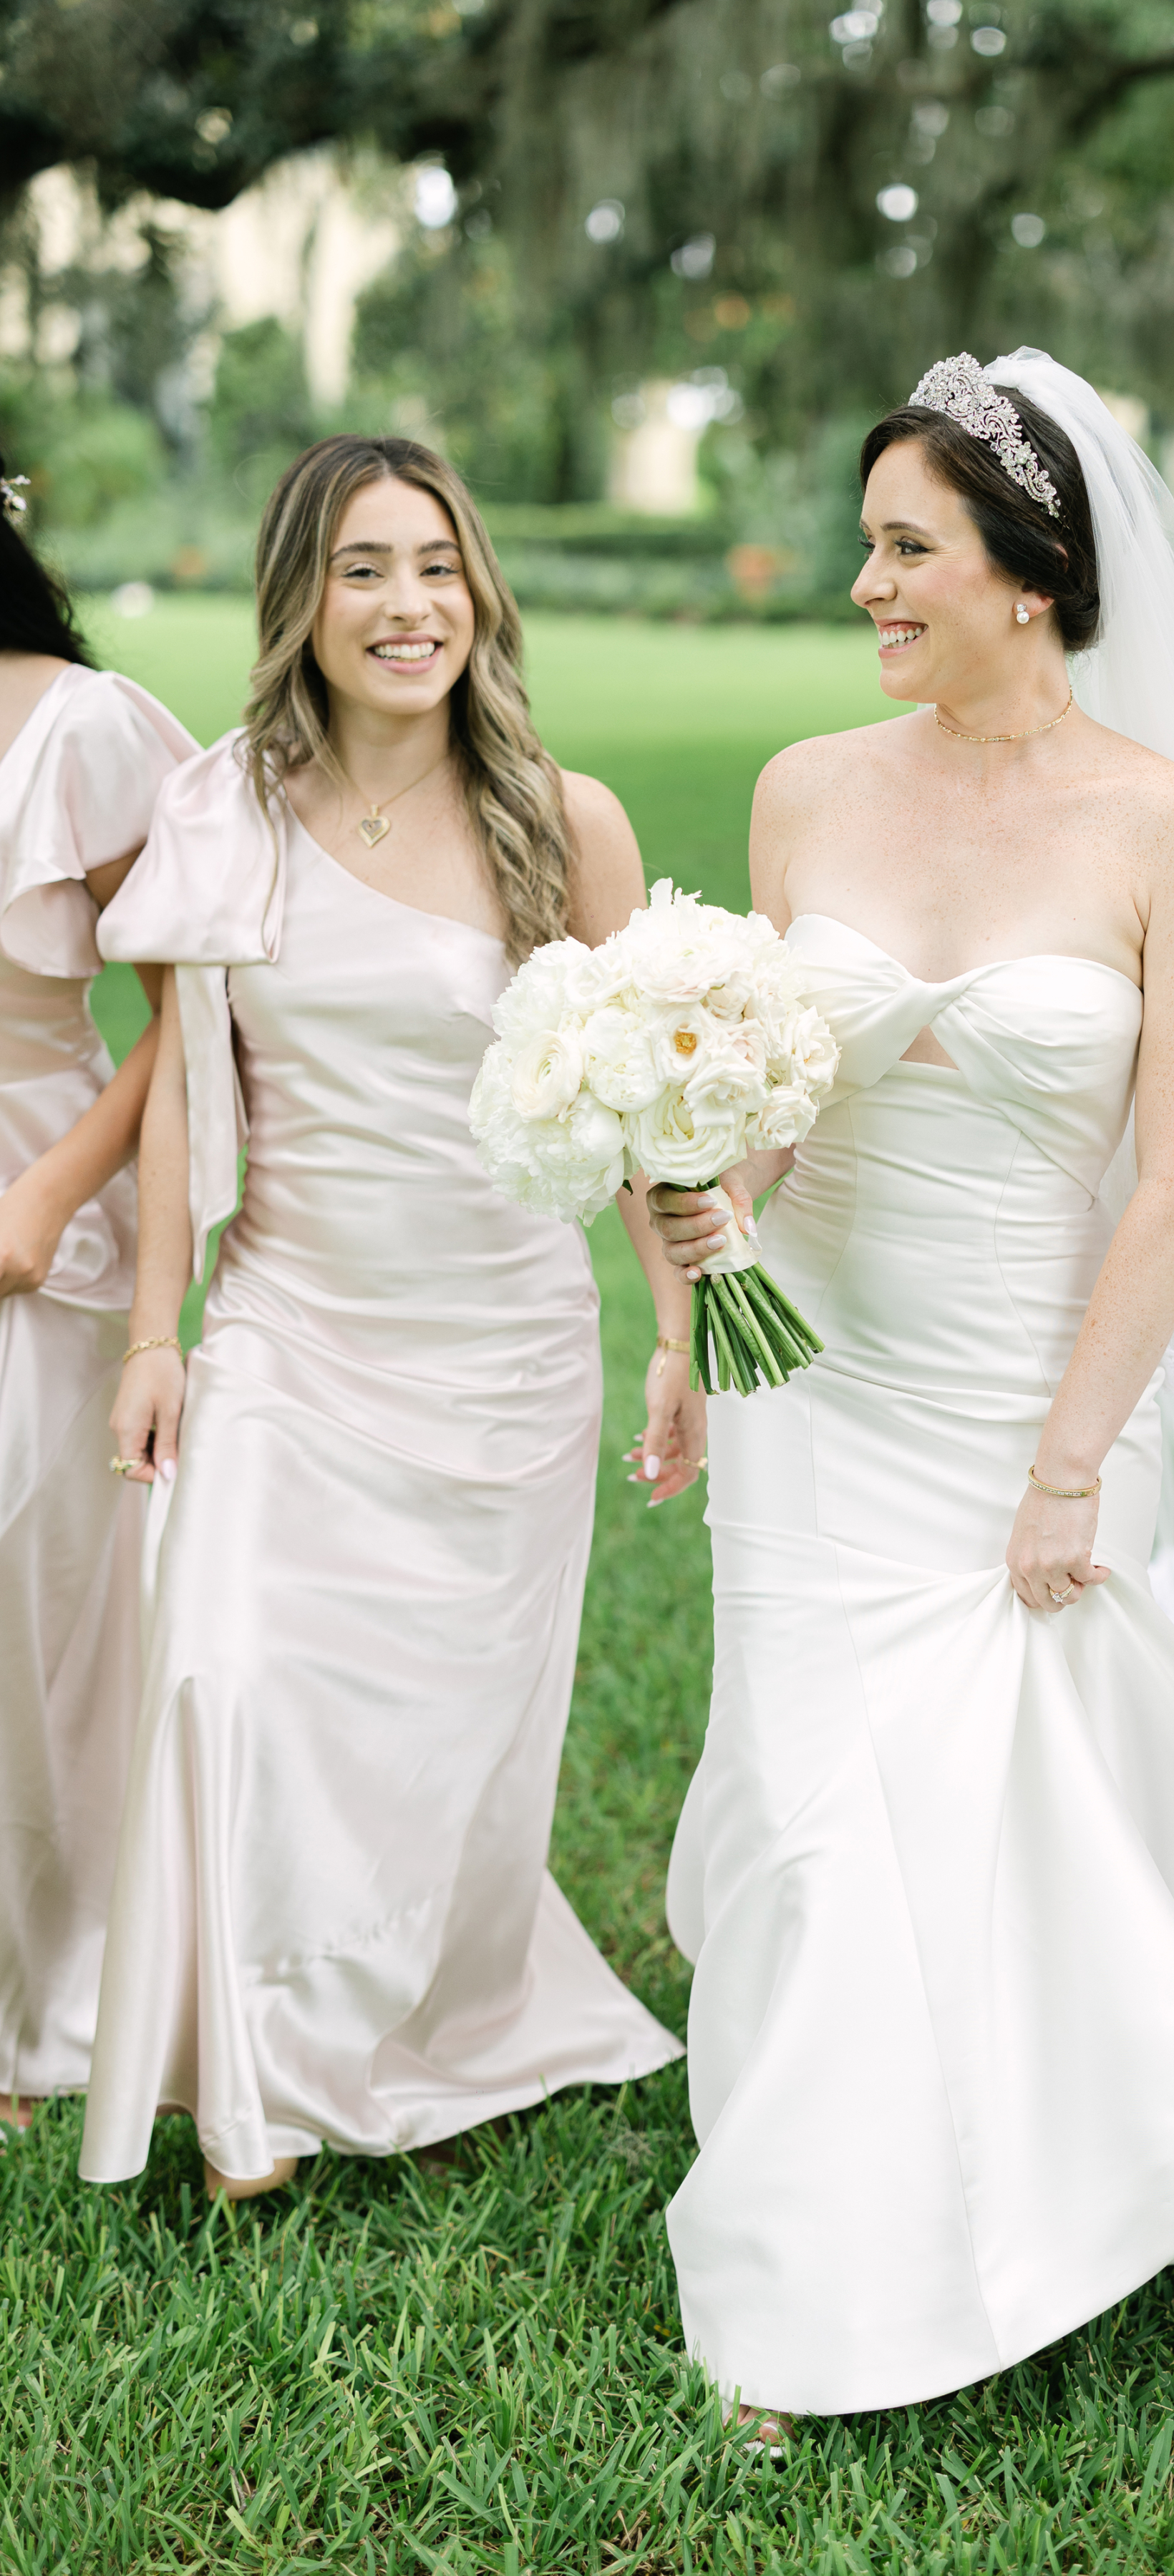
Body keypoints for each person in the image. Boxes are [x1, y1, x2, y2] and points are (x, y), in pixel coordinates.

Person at [649, 351, 1174, 2431]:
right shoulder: (806, 790)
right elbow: (777, 1096)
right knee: (815, 1788)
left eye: (904, 548)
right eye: (869, 547)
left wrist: (1071, 1462)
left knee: (958, 1762)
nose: (867, 587)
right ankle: (823, 2215)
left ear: (1032, 576)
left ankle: (989, 2162)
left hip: (1015, 1378)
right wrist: (691, 1243)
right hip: (804, 1377)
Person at [81, 434, 695, 2201]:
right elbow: (192, 1095)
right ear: (301, 600)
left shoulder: (560, 822)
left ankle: (420, 2016)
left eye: (435, 564)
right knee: (228, 1673)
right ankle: (248, 2080)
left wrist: (673, 1325)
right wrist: (153, 1333)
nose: (407, 603)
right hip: (288, 1322)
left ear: (478, 590)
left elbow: (658, 1096)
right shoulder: (221, 810)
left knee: (444, 1749)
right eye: (363, 568)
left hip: (502, 1346)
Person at [0, 462, 194, 2129]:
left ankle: (43, 1995)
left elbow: (192, 1009)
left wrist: (55, 1190)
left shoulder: (81, 732)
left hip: (28, 1209)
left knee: (39, 1613)